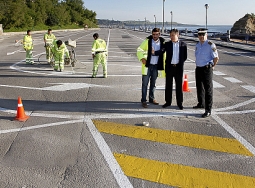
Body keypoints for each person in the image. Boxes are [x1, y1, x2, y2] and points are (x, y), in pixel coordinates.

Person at [153, 28, 187, 110]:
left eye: (173, 35)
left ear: (177, 35)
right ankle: (168, 102)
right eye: (170, 35)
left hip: (178, 68)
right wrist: (154, 52)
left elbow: (185, 56)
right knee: (168, 85)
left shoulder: (183, 44)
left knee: (179, 86)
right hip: (169, 67)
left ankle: (180, 103)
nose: (171, 37)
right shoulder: (167, 44)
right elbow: (162, 50)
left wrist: (179, 63)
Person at [193, 28, 219, 118]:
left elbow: (216, 58)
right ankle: (201, 103)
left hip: (207, 69)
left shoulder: (210, 45)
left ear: (206, 35)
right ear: (198, 36)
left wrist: (213, 66)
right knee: (199, 87)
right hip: (198, 68)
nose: (201, 36)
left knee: (208, 89)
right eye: (200, 35)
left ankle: (208, 110)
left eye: (203, 35)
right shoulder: (197, 45)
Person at [137, 28, 165, 108]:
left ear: (159, 34)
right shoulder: (147, 41)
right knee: (145, 84)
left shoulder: (162, 43)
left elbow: (164, 52)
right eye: (153, 34)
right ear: (152, 34)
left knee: (153, 84)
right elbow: (139, 49)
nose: (155, 36)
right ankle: (143, 100)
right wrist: (142, 58)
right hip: (147, 66)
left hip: (156, 66)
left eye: (156, 34)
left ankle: (151, 98)